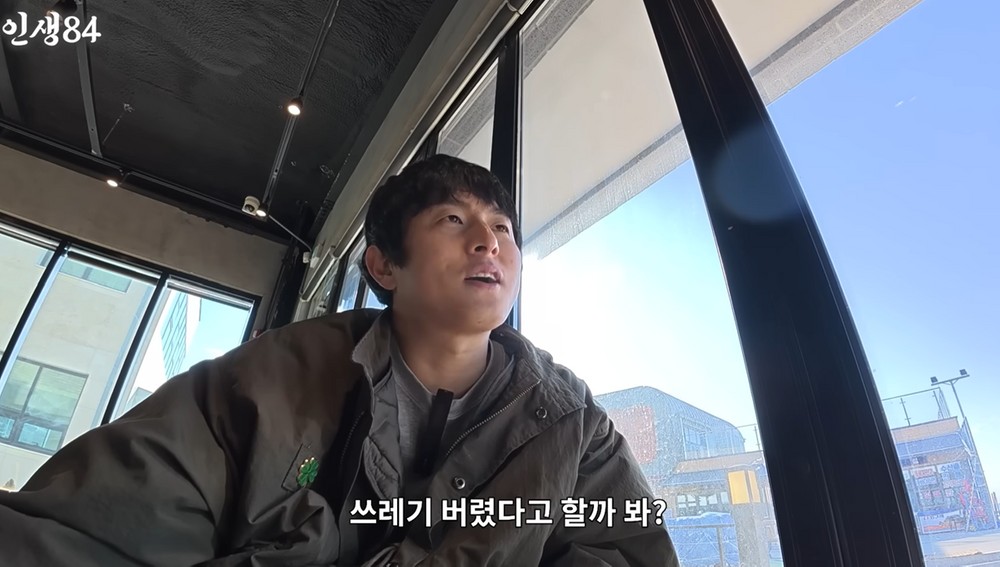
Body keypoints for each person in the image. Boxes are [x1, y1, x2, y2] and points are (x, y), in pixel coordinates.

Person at [0, 155, 678, 566]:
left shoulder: (573, 427)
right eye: (453, 221)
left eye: (502, 227)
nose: (488, 242)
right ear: (382, 265)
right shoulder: (274, 378)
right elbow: (99, 524)